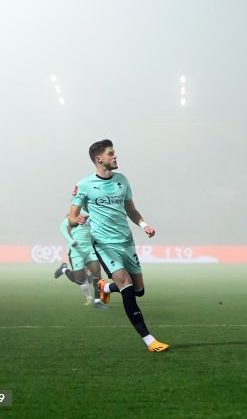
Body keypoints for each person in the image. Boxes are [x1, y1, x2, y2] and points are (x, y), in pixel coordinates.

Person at [69, 139, 168, 352]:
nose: (115, 157)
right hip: (103, 243)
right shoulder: (84, 185)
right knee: (127, 287)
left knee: (139, 290)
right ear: (99, 159)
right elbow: (72, 216)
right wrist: (76, 220)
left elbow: (131, 209)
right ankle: (150, 341)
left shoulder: (122, 180)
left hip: (126, 241)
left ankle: (106, 287)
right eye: (111, 153)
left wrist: (144, 225)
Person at [53, 202, 107, 309]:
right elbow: (62, 226)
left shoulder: (95, 214)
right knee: (80, 280)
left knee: (97, 274)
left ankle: (97, 301)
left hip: (89, 249)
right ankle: (64, 270)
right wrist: (71, 240)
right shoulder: (76, 213)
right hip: (76, 251)